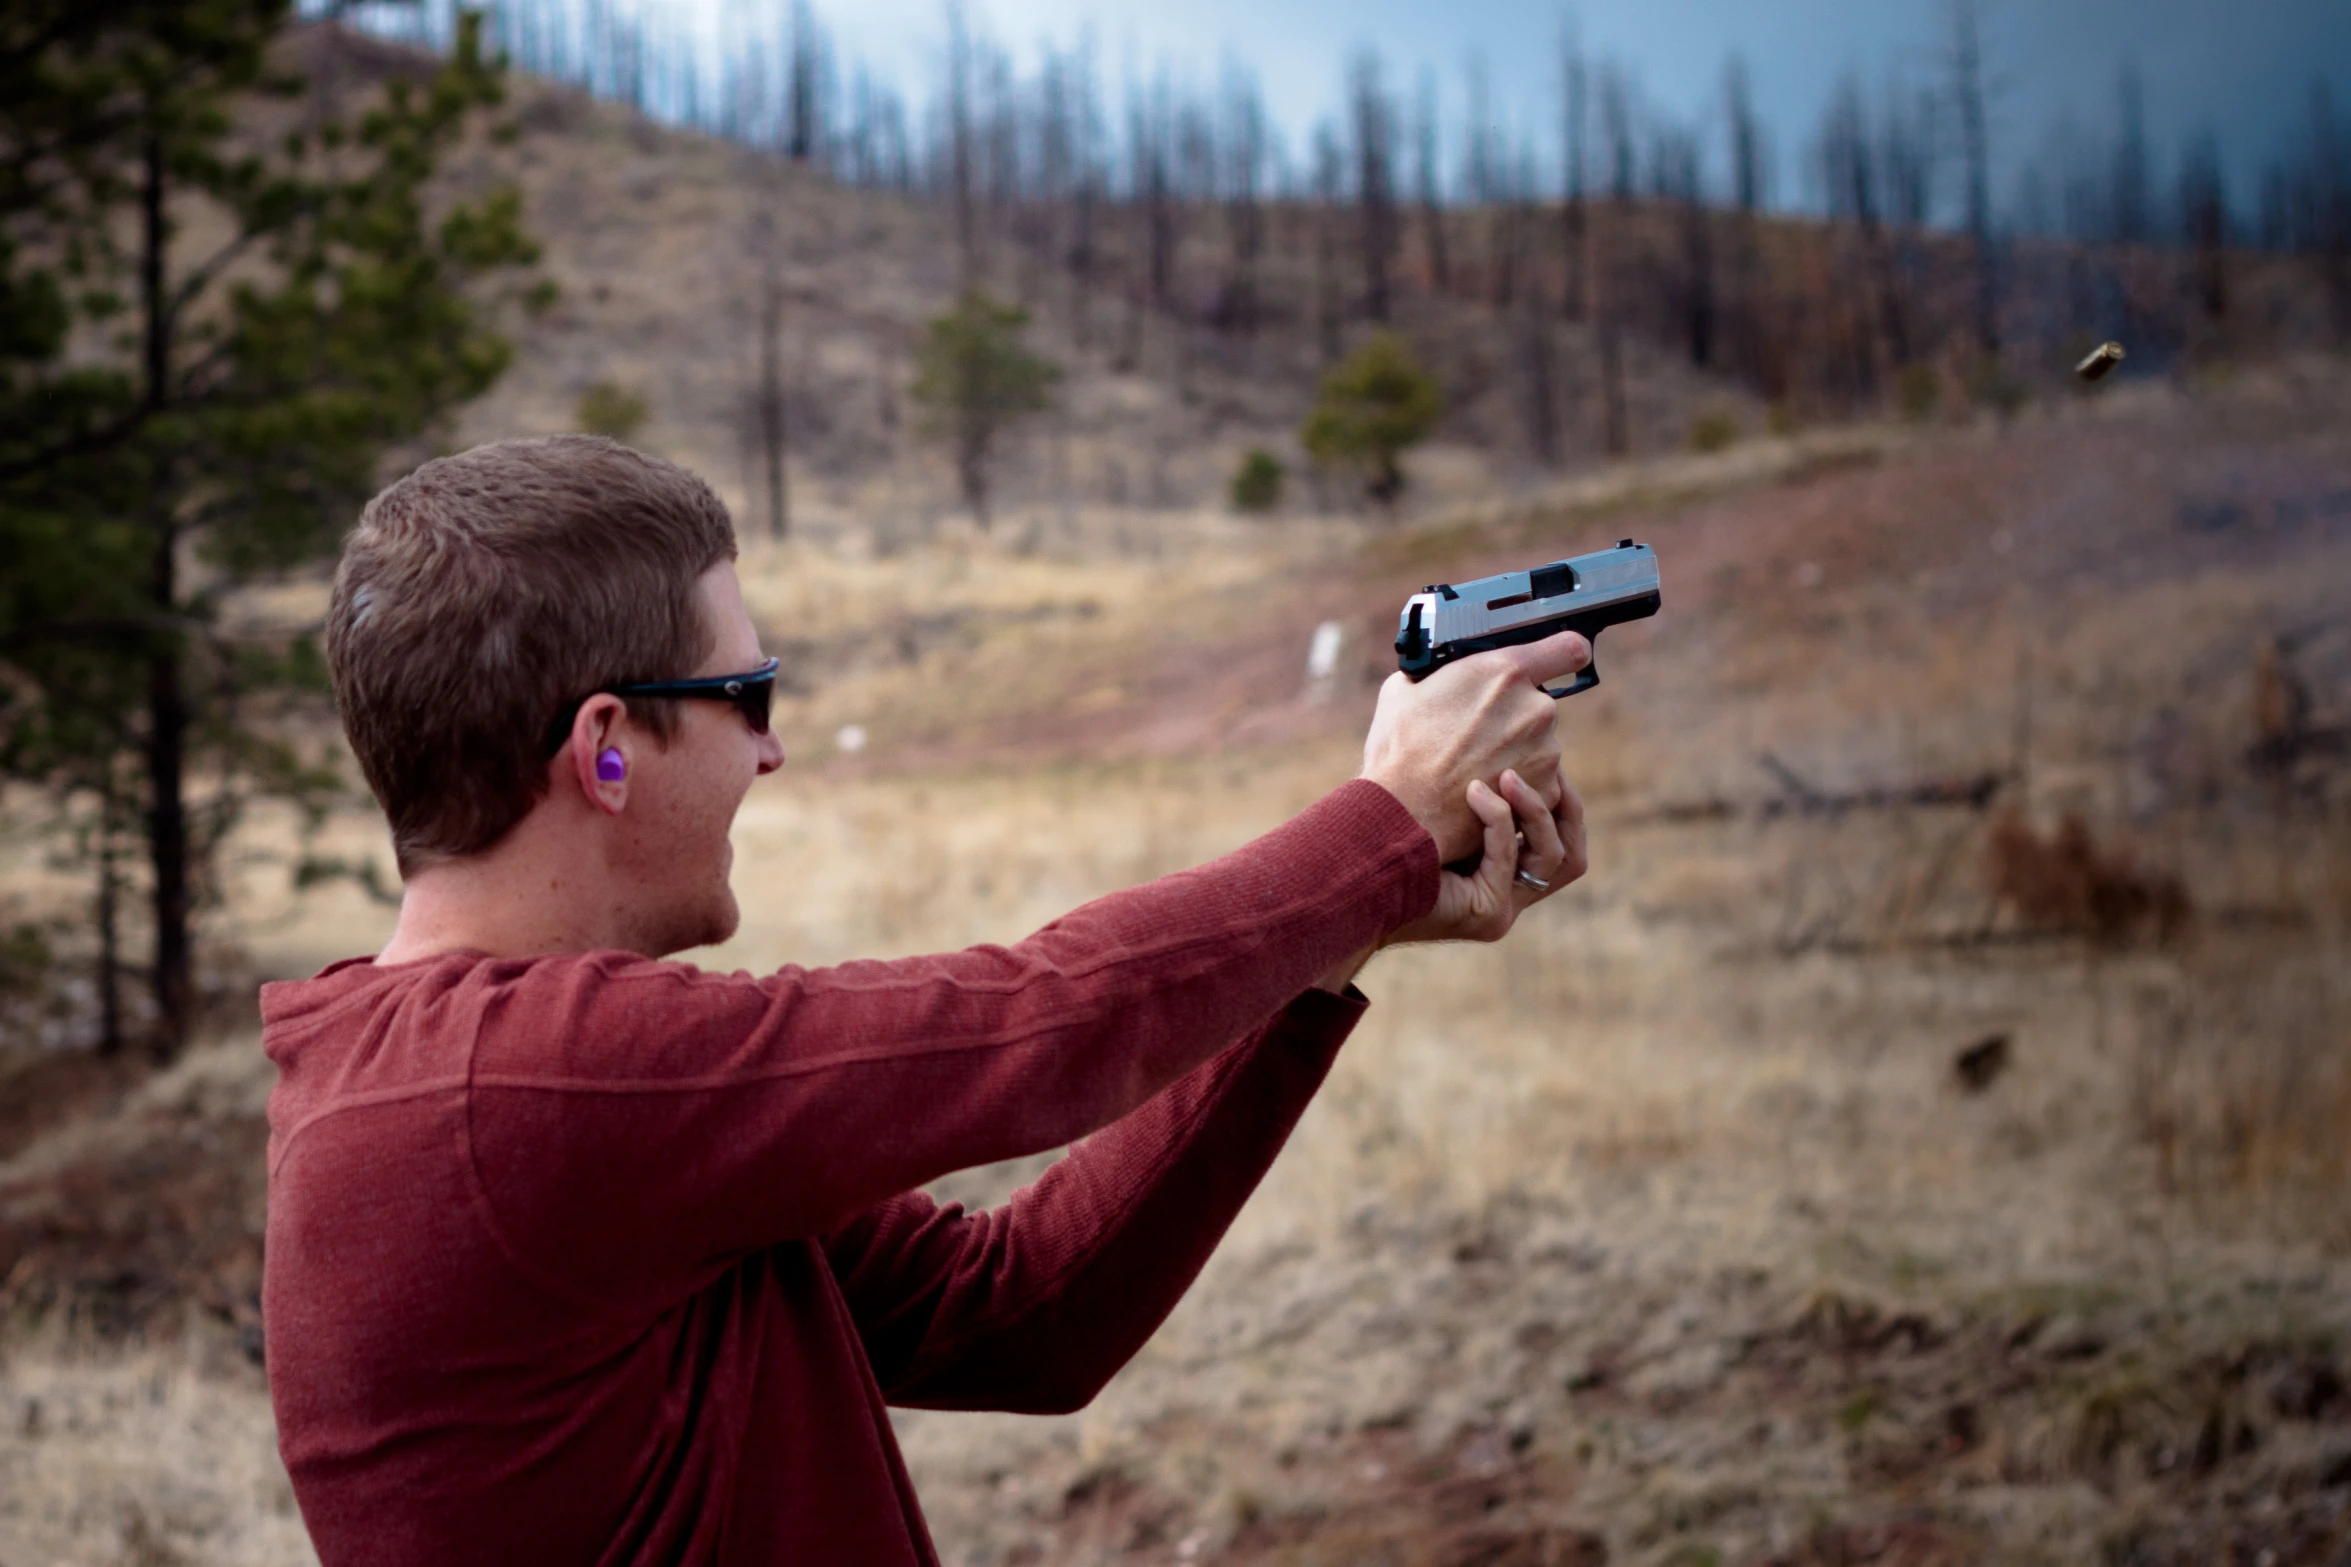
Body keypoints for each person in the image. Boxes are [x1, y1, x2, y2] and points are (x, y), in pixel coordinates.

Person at [261, 435, 1591, 1565]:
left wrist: (1330, 950)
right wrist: (1382, 824)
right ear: (606, 746)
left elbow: (1022, 1314)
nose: (773, 749)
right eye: (747, 696)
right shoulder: (517, 1092)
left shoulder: (496, 1099)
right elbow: (1042, 1019)